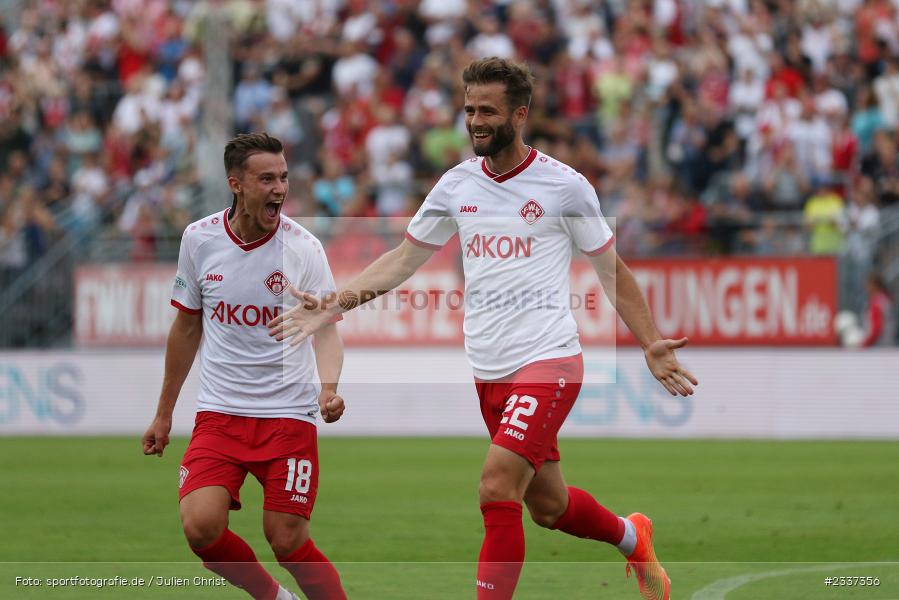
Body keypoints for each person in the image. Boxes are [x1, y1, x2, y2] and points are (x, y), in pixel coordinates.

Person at [269, 58, 697, 600]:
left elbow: (612, 269)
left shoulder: (565, 187)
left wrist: (649, 342)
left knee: (496, 486)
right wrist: (333, 305)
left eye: (487, 111)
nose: (474, 120)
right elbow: (403, 259)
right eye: (469, 109)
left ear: (519, 115)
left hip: (549, 359)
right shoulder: (455, 185)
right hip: (489, 370)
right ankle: (634, 537)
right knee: (547, 506)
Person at [142, 133, 347, 600]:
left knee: (287, 539)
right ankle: (275, 598)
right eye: (267, 179)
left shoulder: (305, 248)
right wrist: (163, 412)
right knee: (200, 527)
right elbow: (186, 329)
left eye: (284, 178)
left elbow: (326, 328)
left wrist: (328, 388)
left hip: (288, 417)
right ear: (237, 184)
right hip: (221, 414)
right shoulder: (199, 239)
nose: (280, 188)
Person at [862, 273, 897, 347]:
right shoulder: (887, 300)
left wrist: (864, 344)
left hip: (878, 347)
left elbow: (876, 329)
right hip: (889, 344)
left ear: (875, 285)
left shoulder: (876, 303)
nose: (866, 288)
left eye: (868, 285)